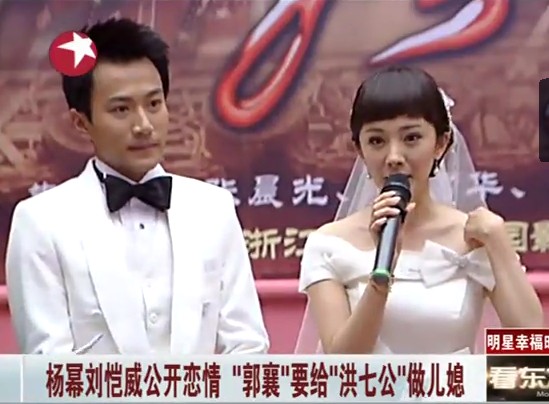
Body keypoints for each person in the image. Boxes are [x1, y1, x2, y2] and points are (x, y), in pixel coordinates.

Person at [6, 18, 269, 355]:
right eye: (121, 109)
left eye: (154, 104)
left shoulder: (213, 209)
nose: (144, 125)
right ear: (80, 122)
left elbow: (247, 346)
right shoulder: (41, 222)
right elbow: (48, 366)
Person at [295, 66, 543, 354]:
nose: (394, 157)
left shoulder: (475, 236)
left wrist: (499, 243)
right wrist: (381, 276)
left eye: (411, 138)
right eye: (376, 141)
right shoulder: (329, 243)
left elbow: (530, 341)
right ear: (360, 150)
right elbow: (342, 361)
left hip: (457, 384)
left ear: (441, 143)